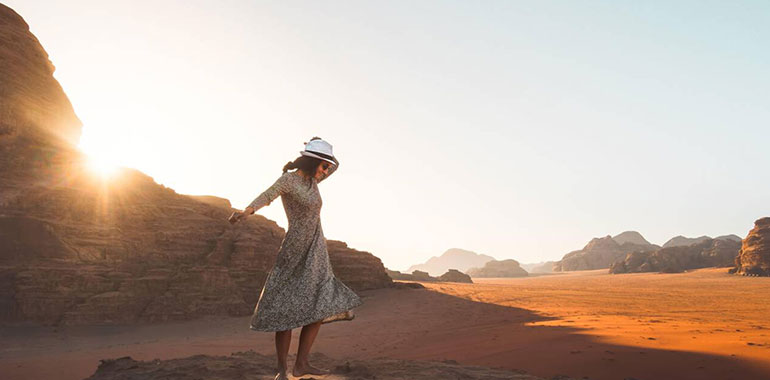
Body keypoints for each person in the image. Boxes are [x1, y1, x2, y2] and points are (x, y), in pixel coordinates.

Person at [229, 137, 362, 380]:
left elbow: (336, 165)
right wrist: (247, 211)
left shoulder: (315, 179)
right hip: (294, 249)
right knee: (284, 309)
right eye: (323, 165)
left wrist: (318, 144)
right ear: (313, 163)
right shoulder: (288, 180)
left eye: (326, 167)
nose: (326, 171)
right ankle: (282, 369)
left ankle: (302, 364)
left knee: (320, 303)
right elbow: (266, 195)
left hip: (316, 249)